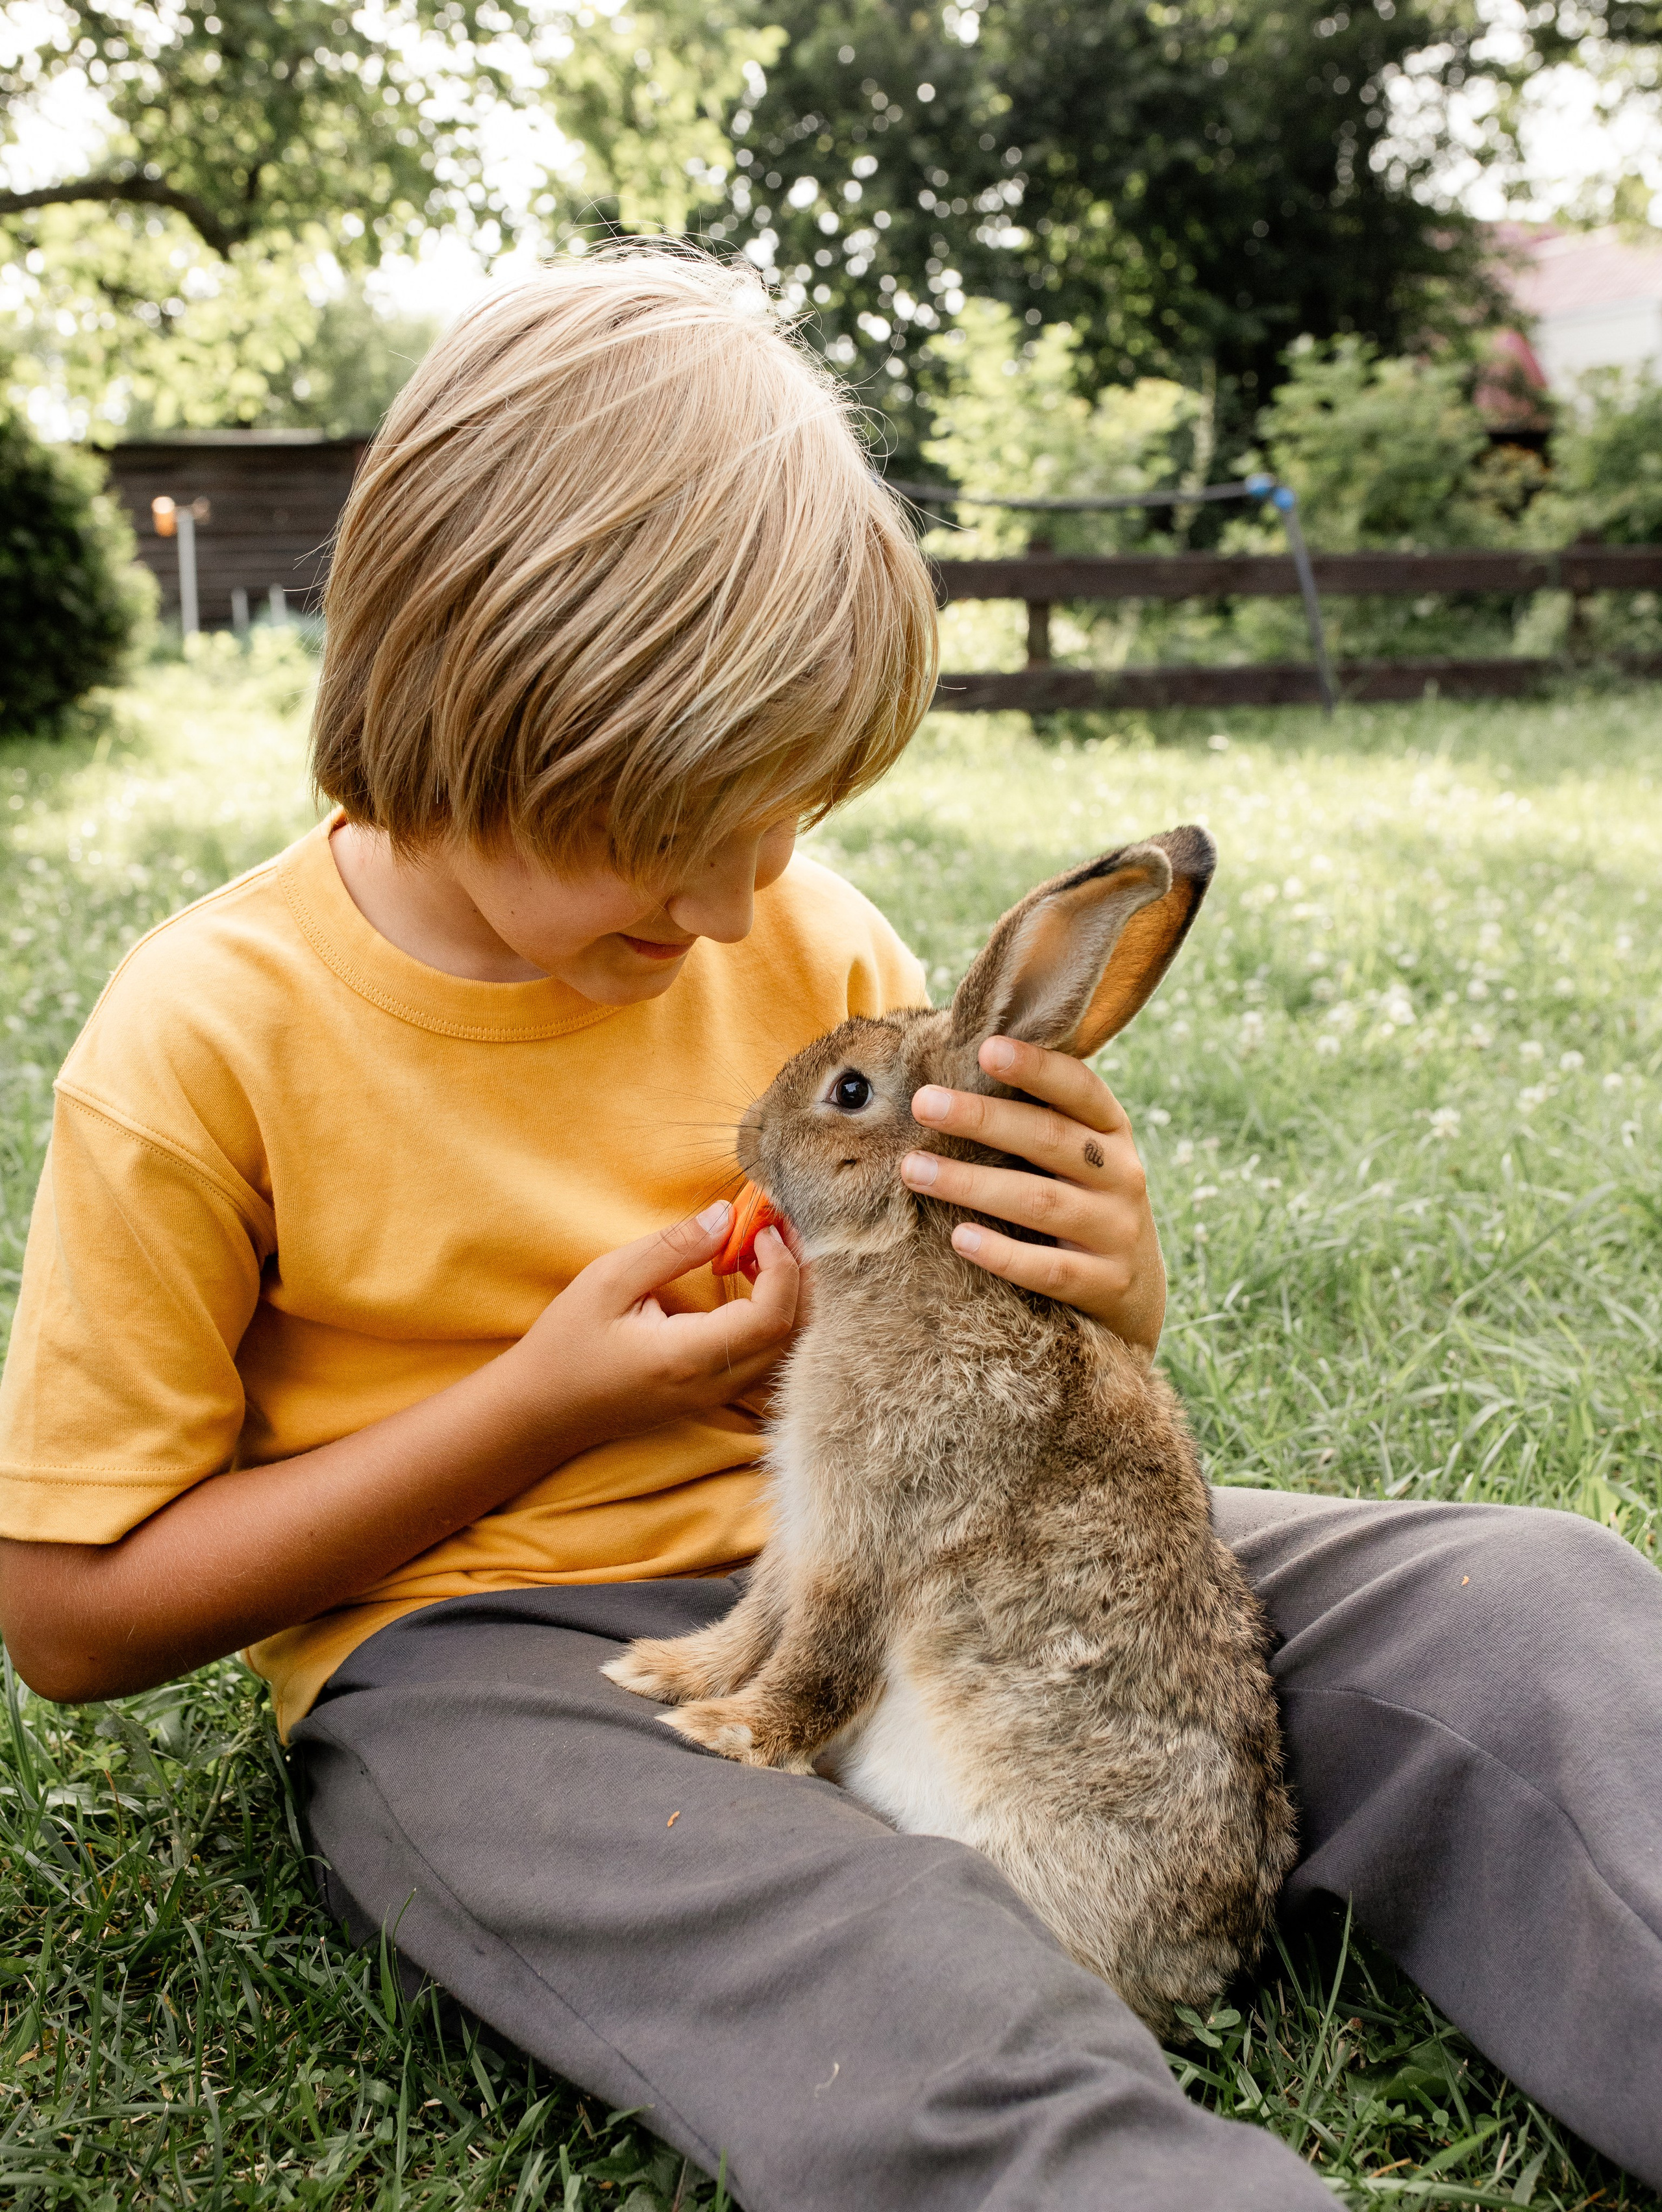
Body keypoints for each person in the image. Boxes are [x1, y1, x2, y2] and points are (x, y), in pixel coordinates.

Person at [0, 249, 1656, 2211]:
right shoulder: (208, 1037)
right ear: (453, 703)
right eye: (664, 835)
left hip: (956, 1559)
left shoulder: (812, 939)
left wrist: (1107, 1280)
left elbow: (999, 1332)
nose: (732, 910)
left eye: (777, 822)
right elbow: (69, 1616)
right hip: (496, 1650)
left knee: (1530, 1608)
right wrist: (536, 1415)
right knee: (893, 1979)